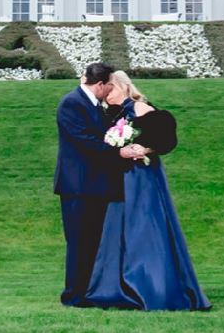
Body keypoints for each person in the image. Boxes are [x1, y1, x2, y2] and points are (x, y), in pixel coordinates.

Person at [84, 70, 212, 311]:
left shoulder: (139, 107)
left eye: (111, 87)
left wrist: (143, 148)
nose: (107, 93)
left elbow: (164, 136)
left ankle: (152, 286)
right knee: (116, 225)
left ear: (122, 86)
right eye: (106, 89)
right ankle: (116, 286)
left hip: (140, 176)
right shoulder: (108, 113)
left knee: (143, 224)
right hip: (118, 176)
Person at [54, 61, 149, 306]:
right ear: (99, 84)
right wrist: (120, 153)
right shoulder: (72, 103)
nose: (109, 90)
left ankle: (87, 292)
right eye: (108, 85)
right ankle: (74, 295)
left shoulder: (92, 104)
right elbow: (85, 141)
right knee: (79, 243)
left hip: (94, 186)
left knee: (92, 242)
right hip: (78, 187)